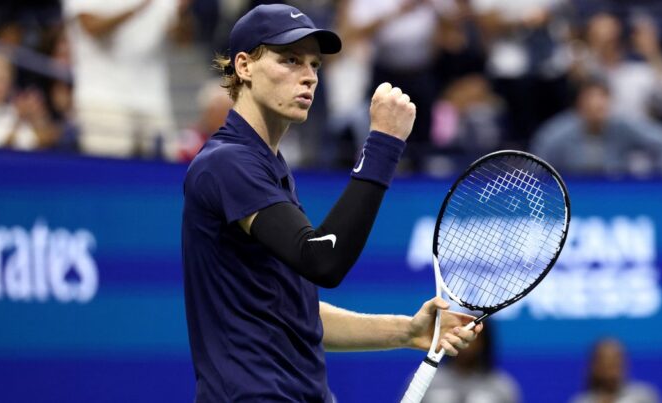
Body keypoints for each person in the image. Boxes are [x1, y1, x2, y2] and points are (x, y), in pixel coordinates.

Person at [181, 4, 482, 402]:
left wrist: (408, 331)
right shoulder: (228, 164)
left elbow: (295, 314)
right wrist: (383, 145)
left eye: (314, 65)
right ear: (244, 66)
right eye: (289, 60)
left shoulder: (267, 166)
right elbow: (322, 260)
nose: (307, 76)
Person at [63, 0, 186, 160]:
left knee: (163, 171)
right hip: (102, 99)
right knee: (108, 175)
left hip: (153, 100)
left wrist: (182, 14)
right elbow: (91, 27)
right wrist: (138, 7)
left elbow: (182, 39)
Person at [530, 78, 662, 175]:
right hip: (571, 199)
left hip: (616, 196)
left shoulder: (623, 127)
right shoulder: (556, 135)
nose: (597, 108)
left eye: (602, 104)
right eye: (591, 104)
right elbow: (536, 167)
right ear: (579, 104)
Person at [423, 321, 520, 403]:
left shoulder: (502, 387)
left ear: (485, 343)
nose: (467, 345)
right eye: (462, 338)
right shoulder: (426, 381)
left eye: (474, 338)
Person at [569, 338, 661, 403]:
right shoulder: (582, 401)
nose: (611, 367)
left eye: (616, 360)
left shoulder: (642, 397)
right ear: (594, 366)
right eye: (605, 361)